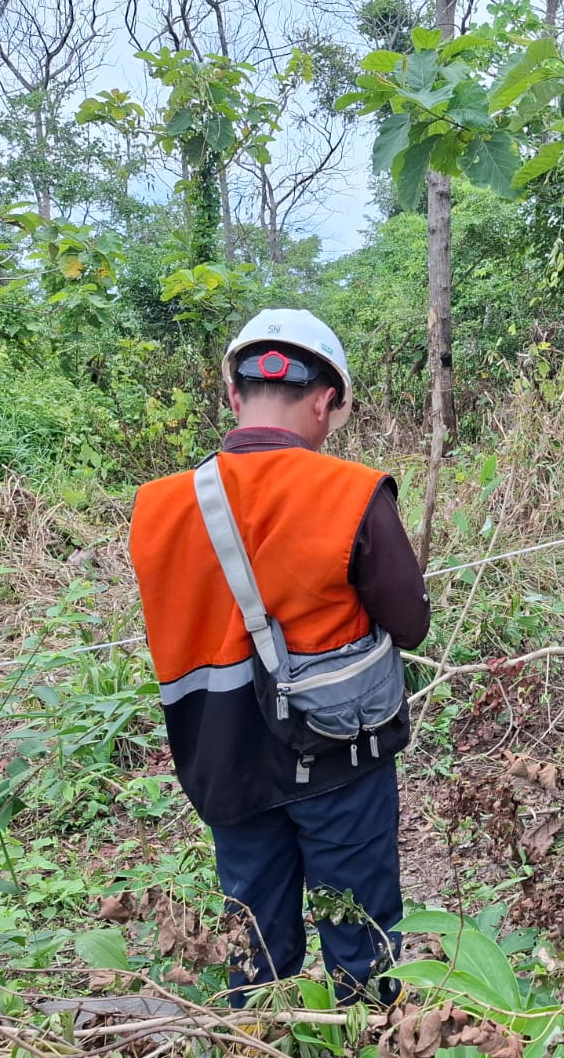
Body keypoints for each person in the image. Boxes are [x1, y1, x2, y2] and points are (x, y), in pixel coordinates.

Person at [129, 309, 430, 1003]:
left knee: (255, 947)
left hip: (222, 765)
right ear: (325, 400)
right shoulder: (352, 493)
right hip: (336, 760)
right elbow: (409, 625)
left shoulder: (155, 508)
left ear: (234, 396)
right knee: (363, 942)